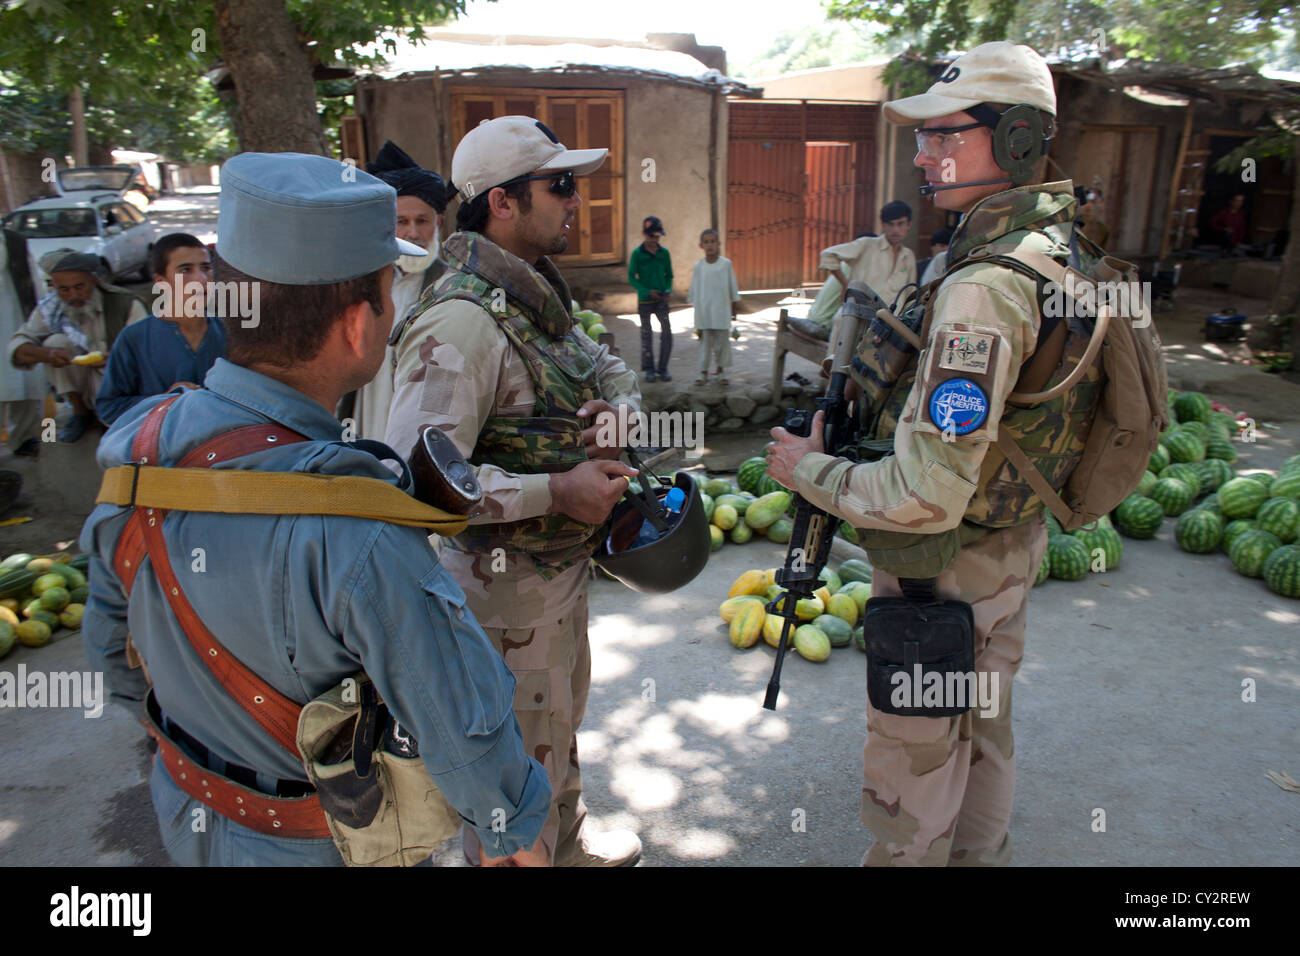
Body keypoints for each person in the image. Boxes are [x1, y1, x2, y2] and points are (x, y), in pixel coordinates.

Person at [79, 151, 552, 867]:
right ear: (360, 328)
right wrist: (516, 831)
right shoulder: (356, 523)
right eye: (389, 292)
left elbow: (111, 657)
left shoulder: (137, 448)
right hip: (317, 845)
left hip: (187, 809)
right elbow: (461, 726)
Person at [766, 40, 1081, 866]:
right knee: (983, 733)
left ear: (1016, 141)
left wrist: (812, 474)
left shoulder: (982, 288)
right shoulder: (1055, 250)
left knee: (915, 772)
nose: (922, 155)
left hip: (940, 572)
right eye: (921, 136)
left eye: (946, 136)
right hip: (1007, 553)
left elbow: (926, 495)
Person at [385, 115, 644, 867]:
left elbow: (609, 367)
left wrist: (619, 413)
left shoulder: (534, 304)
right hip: (501, 596)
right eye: (559, 185)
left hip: (557, 578)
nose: (575, 200)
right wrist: (556, 490)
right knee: (513, 777)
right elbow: (418, 480)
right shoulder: (463, 322)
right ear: (501, 201)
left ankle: (567, 839)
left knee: (556, 734)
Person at [349, 140, 452, 441]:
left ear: (439, 223)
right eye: (402, 222)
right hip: (369, 400)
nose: (413, 233)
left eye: (422, 221)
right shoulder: (360, 281)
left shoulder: (451, 282)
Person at [7, 249, 147, 443]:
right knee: (55, 342)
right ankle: (80, 413)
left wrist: (115, 358)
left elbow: (146, 350)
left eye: (79, 286)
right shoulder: (50, 308)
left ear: (94, 281)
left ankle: (109, 416)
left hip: (119, 385)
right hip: (80, 385)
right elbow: (19, 345)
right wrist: (47, 354)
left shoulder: (126, 303)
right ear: (54, 287)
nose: (74, 295)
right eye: (64, 290)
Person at [94, 233, 226, 427]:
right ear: (161, 282)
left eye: (206, 268)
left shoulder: (229, 333)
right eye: (186, 270)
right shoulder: (135, 338)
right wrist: (163, 401)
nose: (201, 279)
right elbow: (109, 407)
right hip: (163, 450)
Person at [804, 202, 918, 336]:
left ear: (909, 224)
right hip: (855, 319)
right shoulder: (867, 245)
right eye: (890, 224)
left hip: (887, 325)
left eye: (901, 224)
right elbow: (828, 255)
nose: (895, 230)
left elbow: (911, 294)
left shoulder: (908, 256)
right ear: (882, 225)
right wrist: (846, 284)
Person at [0, 227, 43, 457]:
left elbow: (34, 281)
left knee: (25, 382)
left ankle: (23, 439)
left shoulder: (13, 241)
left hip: (17, 319)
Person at [688, 228, 741, 387]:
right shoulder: (699, 266)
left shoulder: (726, 265)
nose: (709, 245)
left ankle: (721, 371)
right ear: (701, 245)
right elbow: (694, 289)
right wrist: (696, 311)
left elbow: (732, 286)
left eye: (712, 241)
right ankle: (702, 372)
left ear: (718, 244)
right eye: (706, 242)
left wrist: (734, 306)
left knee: (722, 344)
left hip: (722, 311)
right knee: (705, 344)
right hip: (704, 312)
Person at [629, 215, 674, 382]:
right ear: (644, 234)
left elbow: (669, 275)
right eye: (650, 236)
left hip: (662, 300)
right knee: (646, 334)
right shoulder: (637, 254)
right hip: (645, 301)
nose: (654, 240)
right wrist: (647, 291)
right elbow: (632, 278)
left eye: (657, 236)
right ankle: (649, 369)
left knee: (667, 333)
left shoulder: (664, 253)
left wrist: (668, 289)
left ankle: (663, 369)